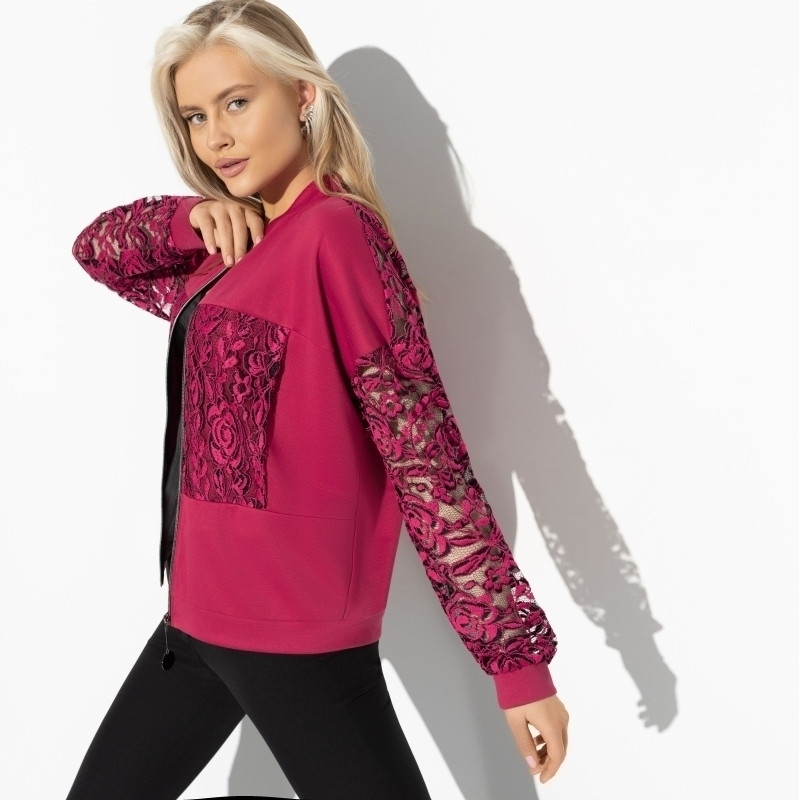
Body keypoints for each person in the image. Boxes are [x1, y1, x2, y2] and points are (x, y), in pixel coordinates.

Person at [65, 1, 569, 798]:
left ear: (302, 95)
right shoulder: (230, 244)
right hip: (192, 629)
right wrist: (192, 217)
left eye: (237, 102)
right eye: (195, 116)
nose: (215, 137)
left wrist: (516, 666)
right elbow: (97, 250)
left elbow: (424, 456)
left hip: (297, 642)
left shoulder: (337, 235)